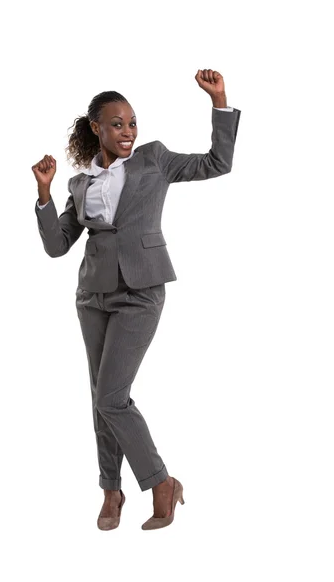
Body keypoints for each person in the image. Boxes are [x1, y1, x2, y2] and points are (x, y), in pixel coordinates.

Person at [32, 69, 241, 531]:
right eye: (117, 124)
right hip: (92, 296)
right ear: (96, 128)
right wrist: (44, 195)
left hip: (141, 291)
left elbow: (217, 163)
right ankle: (111, 489)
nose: (127, 132)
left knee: (111, 397)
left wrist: (220, 101)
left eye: (131, 123)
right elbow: (57, 245)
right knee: (100, 397)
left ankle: (160, 481)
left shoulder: (155, 159)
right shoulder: (80, 183)